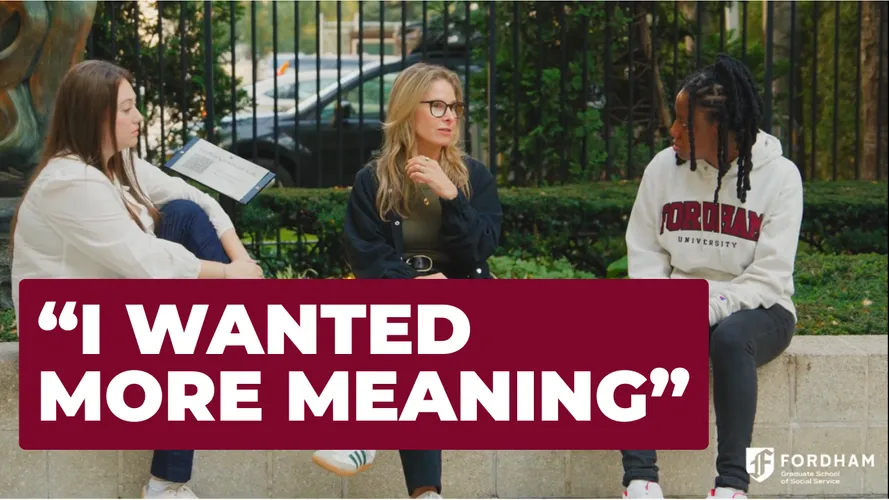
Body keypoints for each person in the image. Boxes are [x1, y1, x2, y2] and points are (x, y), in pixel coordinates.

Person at [10, 60, 263, 498]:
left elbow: (193, 199)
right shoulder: (70, 182)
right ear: (95, 116)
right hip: (67, 330)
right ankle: (166, 486)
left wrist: (245, 266)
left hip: (111, 307)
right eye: (126, 109)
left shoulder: (117, 162)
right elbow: (146, 260)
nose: (138, 117)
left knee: (182, 214)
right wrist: (228, 273)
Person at [312, 63, 503, 498]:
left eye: (454, 106)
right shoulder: (373, 181)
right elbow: (367, 255)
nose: (450, 116)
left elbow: (481, 249)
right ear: (406, 109)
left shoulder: (473, 177)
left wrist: (450, 195)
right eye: (437, 105)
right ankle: (426, 494)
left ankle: (365, 437)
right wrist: (412, 284)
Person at [621, 54, 803, 500]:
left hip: (762, 307)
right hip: (680, 300)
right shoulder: (663, 169)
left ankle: (731, 485)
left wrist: (703, 309)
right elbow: (644, 252)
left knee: (728, 338)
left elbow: (769, 275)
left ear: (722, 129)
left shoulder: (780, 177)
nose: (674, 131)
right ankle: (640, 480)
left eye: (686, 123)